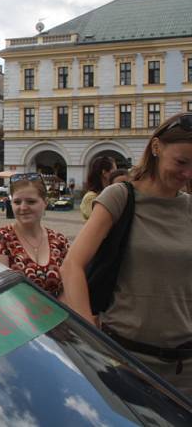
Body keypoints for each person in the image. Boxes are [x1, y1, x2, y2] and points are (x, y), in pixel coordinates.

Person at [61, 113, 192, 397]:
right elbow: (72, 265)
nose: (188, 174)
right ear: (156, 148)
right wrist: (90, 337)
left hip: (186, 367)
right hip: (127, 360)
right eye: (181, 162)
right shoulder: (120, 196)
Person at [0, 173, 70, 298]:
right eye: (17, 202)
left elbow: (70, 288)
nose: (23, 207)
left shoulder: (59, 241)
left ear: (45, 203)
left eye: (31, 201)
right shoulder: (0, 239)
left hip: (59, 314)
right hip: (17, 315)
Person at [80, 156, 117, 221]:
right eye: (114, 171)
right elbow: (99, 222)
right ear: (104, 173)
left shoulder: (107, 193)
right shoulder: (91, 197)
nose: (116, 174)